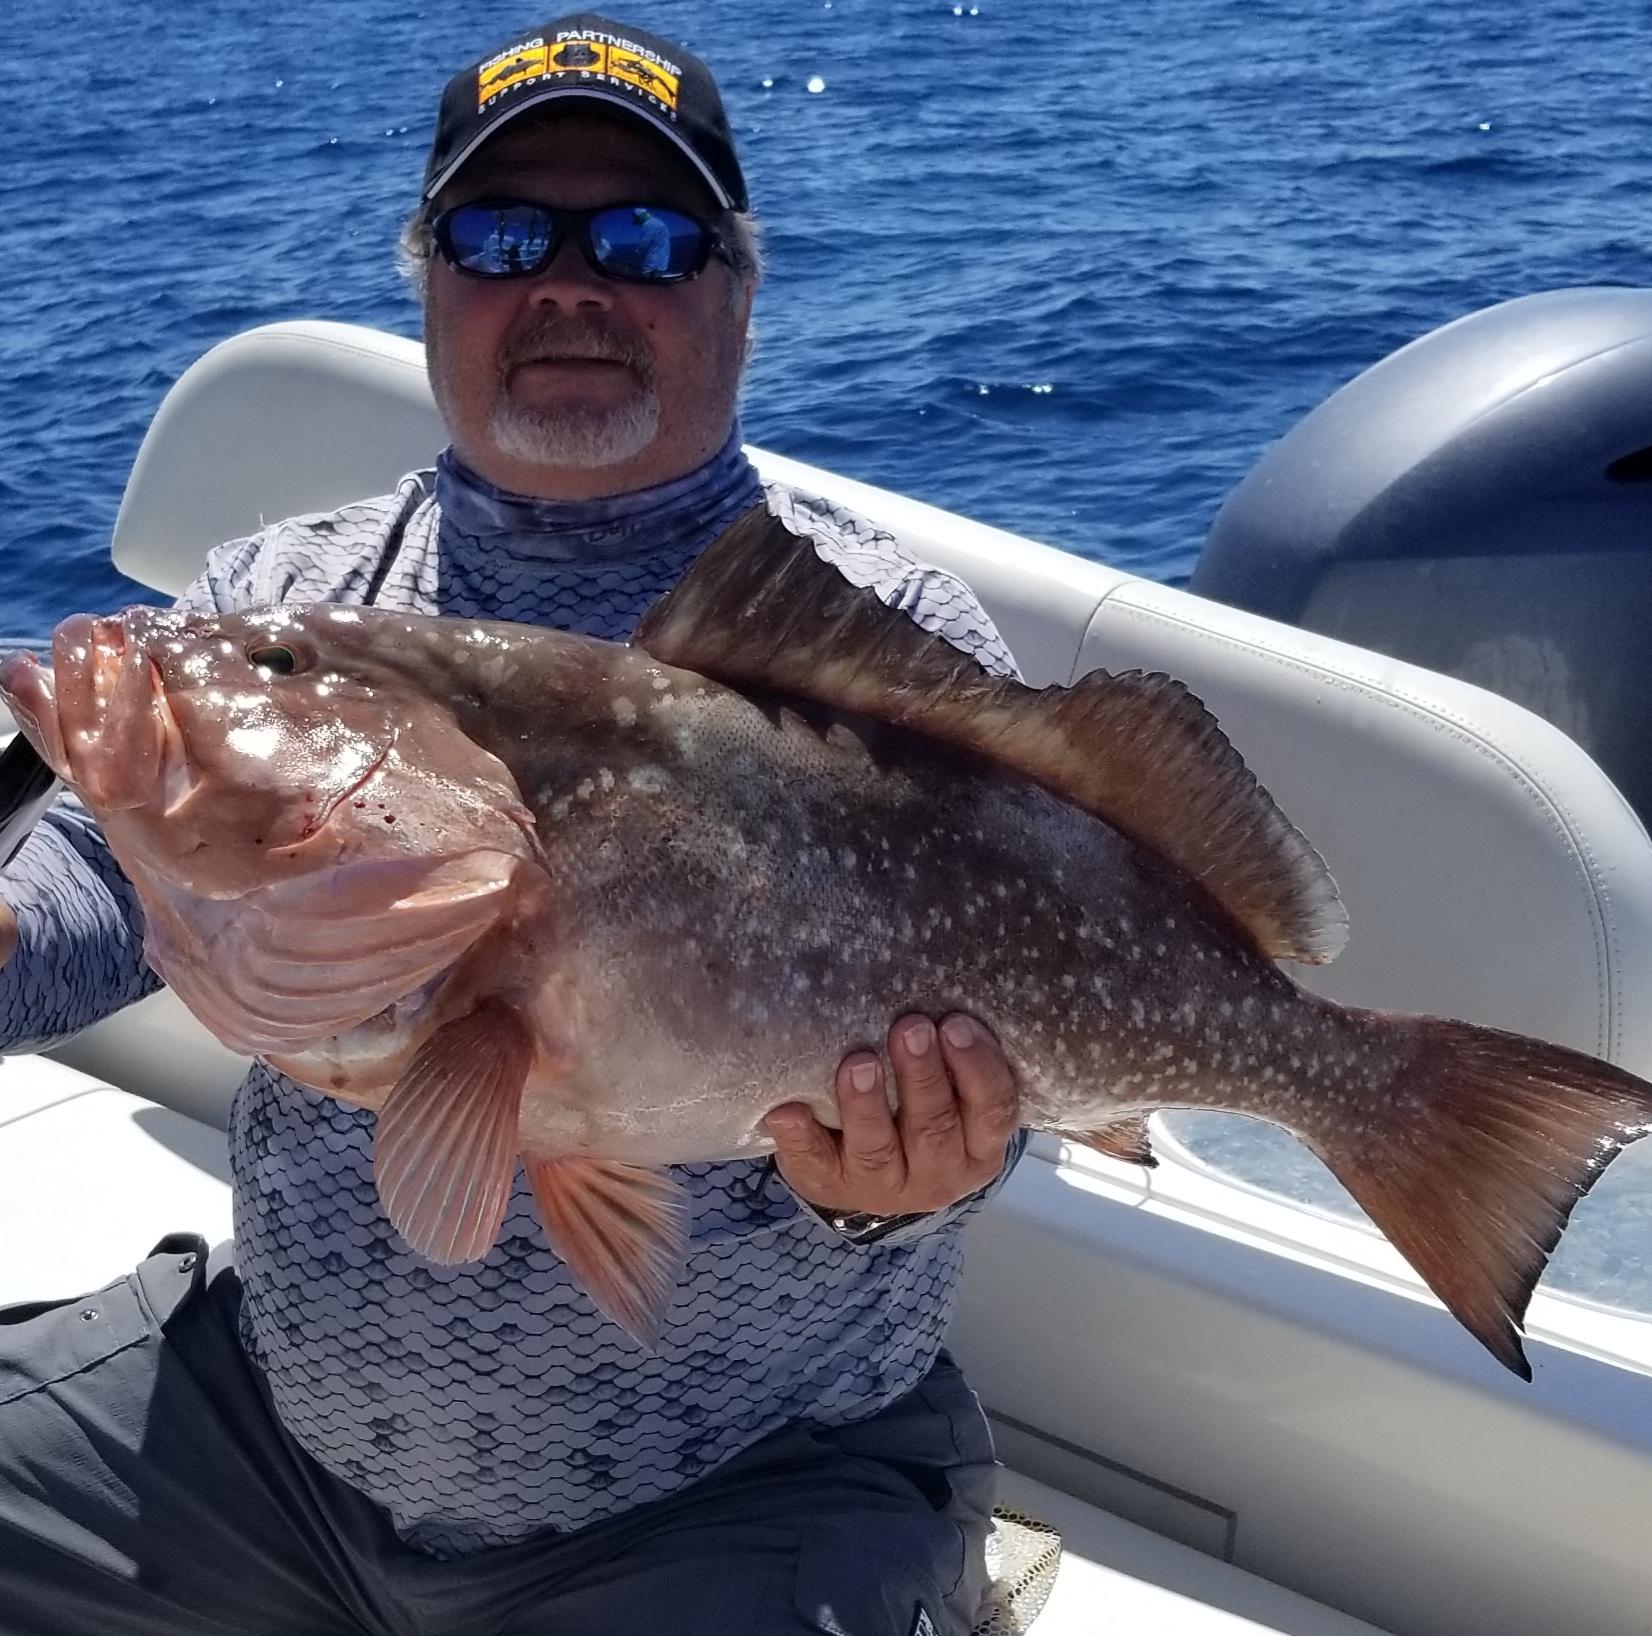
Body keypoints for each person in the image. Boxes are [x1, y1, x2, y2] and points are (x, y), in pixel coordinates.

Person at [0, 14, 1028, 1636]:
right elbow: (68, 906)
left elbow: (1027, 1049)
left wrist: (899, 1179)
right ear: (427, 283)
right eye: (498, 235)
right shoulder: (280, 603)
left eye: (640, 236)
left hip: (742, 1491)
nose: (568, 282)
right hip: (264, 1450)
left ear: (737, 289)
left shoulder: (881, 635)